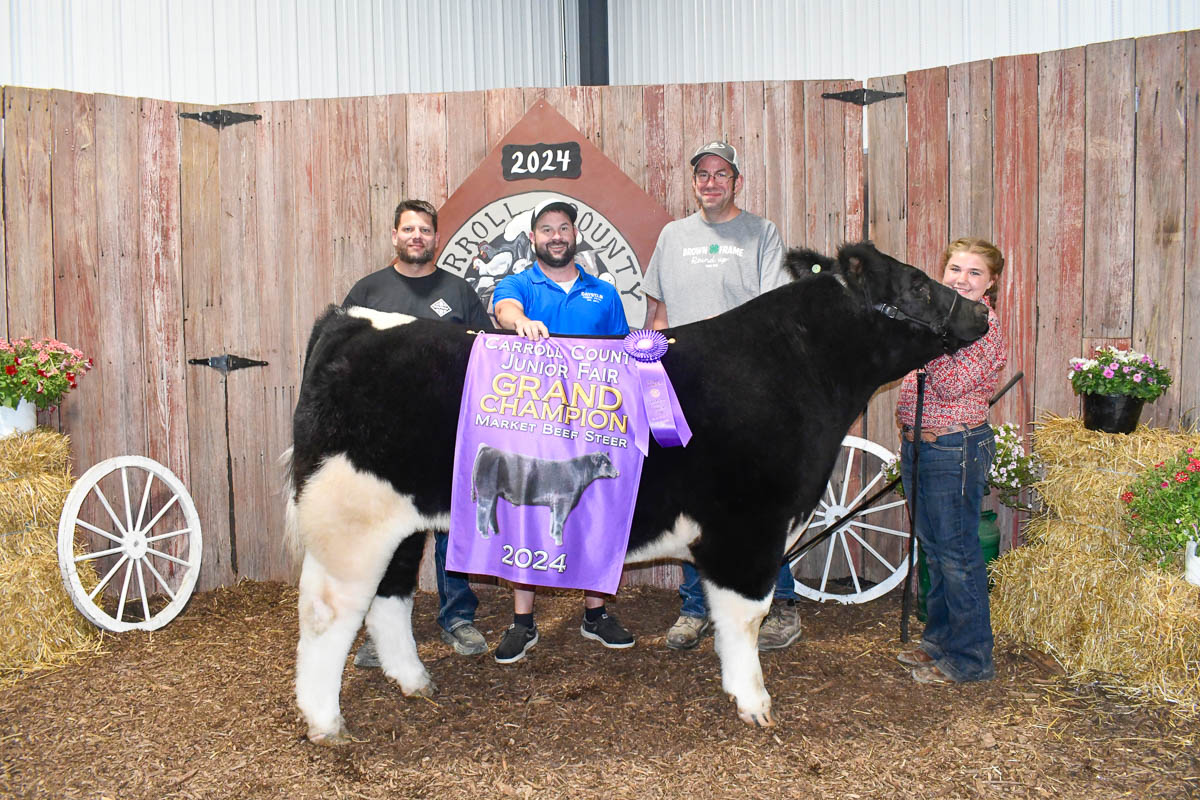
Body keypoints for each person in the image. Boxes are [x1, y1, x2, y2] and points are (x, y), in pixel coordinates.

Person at [642, 140, 803, 653]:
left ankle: (780, 604)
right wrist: (650, 371)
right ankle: (696, 608)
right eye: (703, 174)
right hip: (685, 389)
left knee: (757, 499)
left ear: (737, 182)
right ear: (694, 183)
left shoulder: (762, 233)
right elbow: (658, 315)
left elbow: (776, 309)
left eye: (721, 174)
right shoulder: (672, 236)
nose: (711, 182)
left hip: (745, 388)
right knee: (691, 498)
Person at [343, 199, 491, 665]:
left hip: (450, 432)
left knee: (453, 528)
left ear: (436, 239)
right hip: (387, 438)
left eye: (425, 230)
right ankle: (384, 630)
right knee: (391, 533)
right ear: (394, 235)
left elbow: (487, 355)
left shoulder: (459, 293)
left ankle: (457, 617)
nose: (416, 237)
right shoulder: (367, 292)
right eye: (408, 229)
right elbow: (344, 363)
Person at [490, 196, 634, 664]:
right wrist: (521, 321)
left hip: (590, 422)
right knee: (527, 517)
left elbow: (622, 353)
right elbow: (504, 309)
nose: (556, 236)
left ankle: (596, 614)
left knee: (592, 510)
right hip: (533, 422)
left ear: (575, 234)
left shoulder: (604, 293)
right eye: (547, 229)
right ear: (533, 237)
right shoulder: (521, 283)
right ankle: (523, 622)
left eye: (564, 228)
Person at [894, 237, 1007, 684]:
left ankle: (971, 659)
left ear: (991, 282)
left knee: (958, 555)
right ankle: (939, 641)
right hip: (920, 446)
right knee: (936, 551)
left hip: (954, 447)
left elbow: (949, 385)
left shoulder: (982, 328)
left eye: (975, 272)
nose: (962, 279)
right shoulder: (943, 321)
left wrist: (923, 336)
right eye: (955, 269)